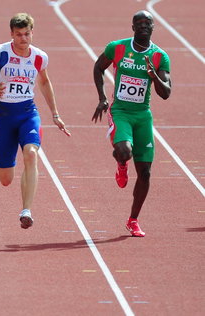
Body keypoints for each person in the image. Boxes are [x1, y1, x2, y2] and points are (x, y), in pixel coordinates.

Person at [0, 13, 70, 229]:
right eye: (19, 35)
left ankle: (26, 210)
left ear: (32, 33)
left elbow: (45, 83)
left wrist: (55, 114)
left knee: (31, 153)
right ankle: (12, 164)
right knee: (5, 178)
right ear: (11, 34)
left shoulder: (39, 57)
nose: (23, 39)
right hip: (5, 116)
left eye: (27, 34)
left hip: (28, 112)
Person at [92, 10, 171, 237]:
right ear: (133, 27)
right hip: (121, 112)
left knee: (145, 173)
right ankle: (121, 164)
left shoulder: (160, 57)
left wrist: (153, 75)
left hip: (143, 115)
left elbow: (166, 93)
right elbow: (98, 67)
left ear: (154, 27)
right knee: (124, 151)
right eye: (139, 23)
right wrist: (102, 98)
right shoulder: (117, 48)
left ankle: (133, 220)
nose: (144, 26)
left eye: (148, 23)